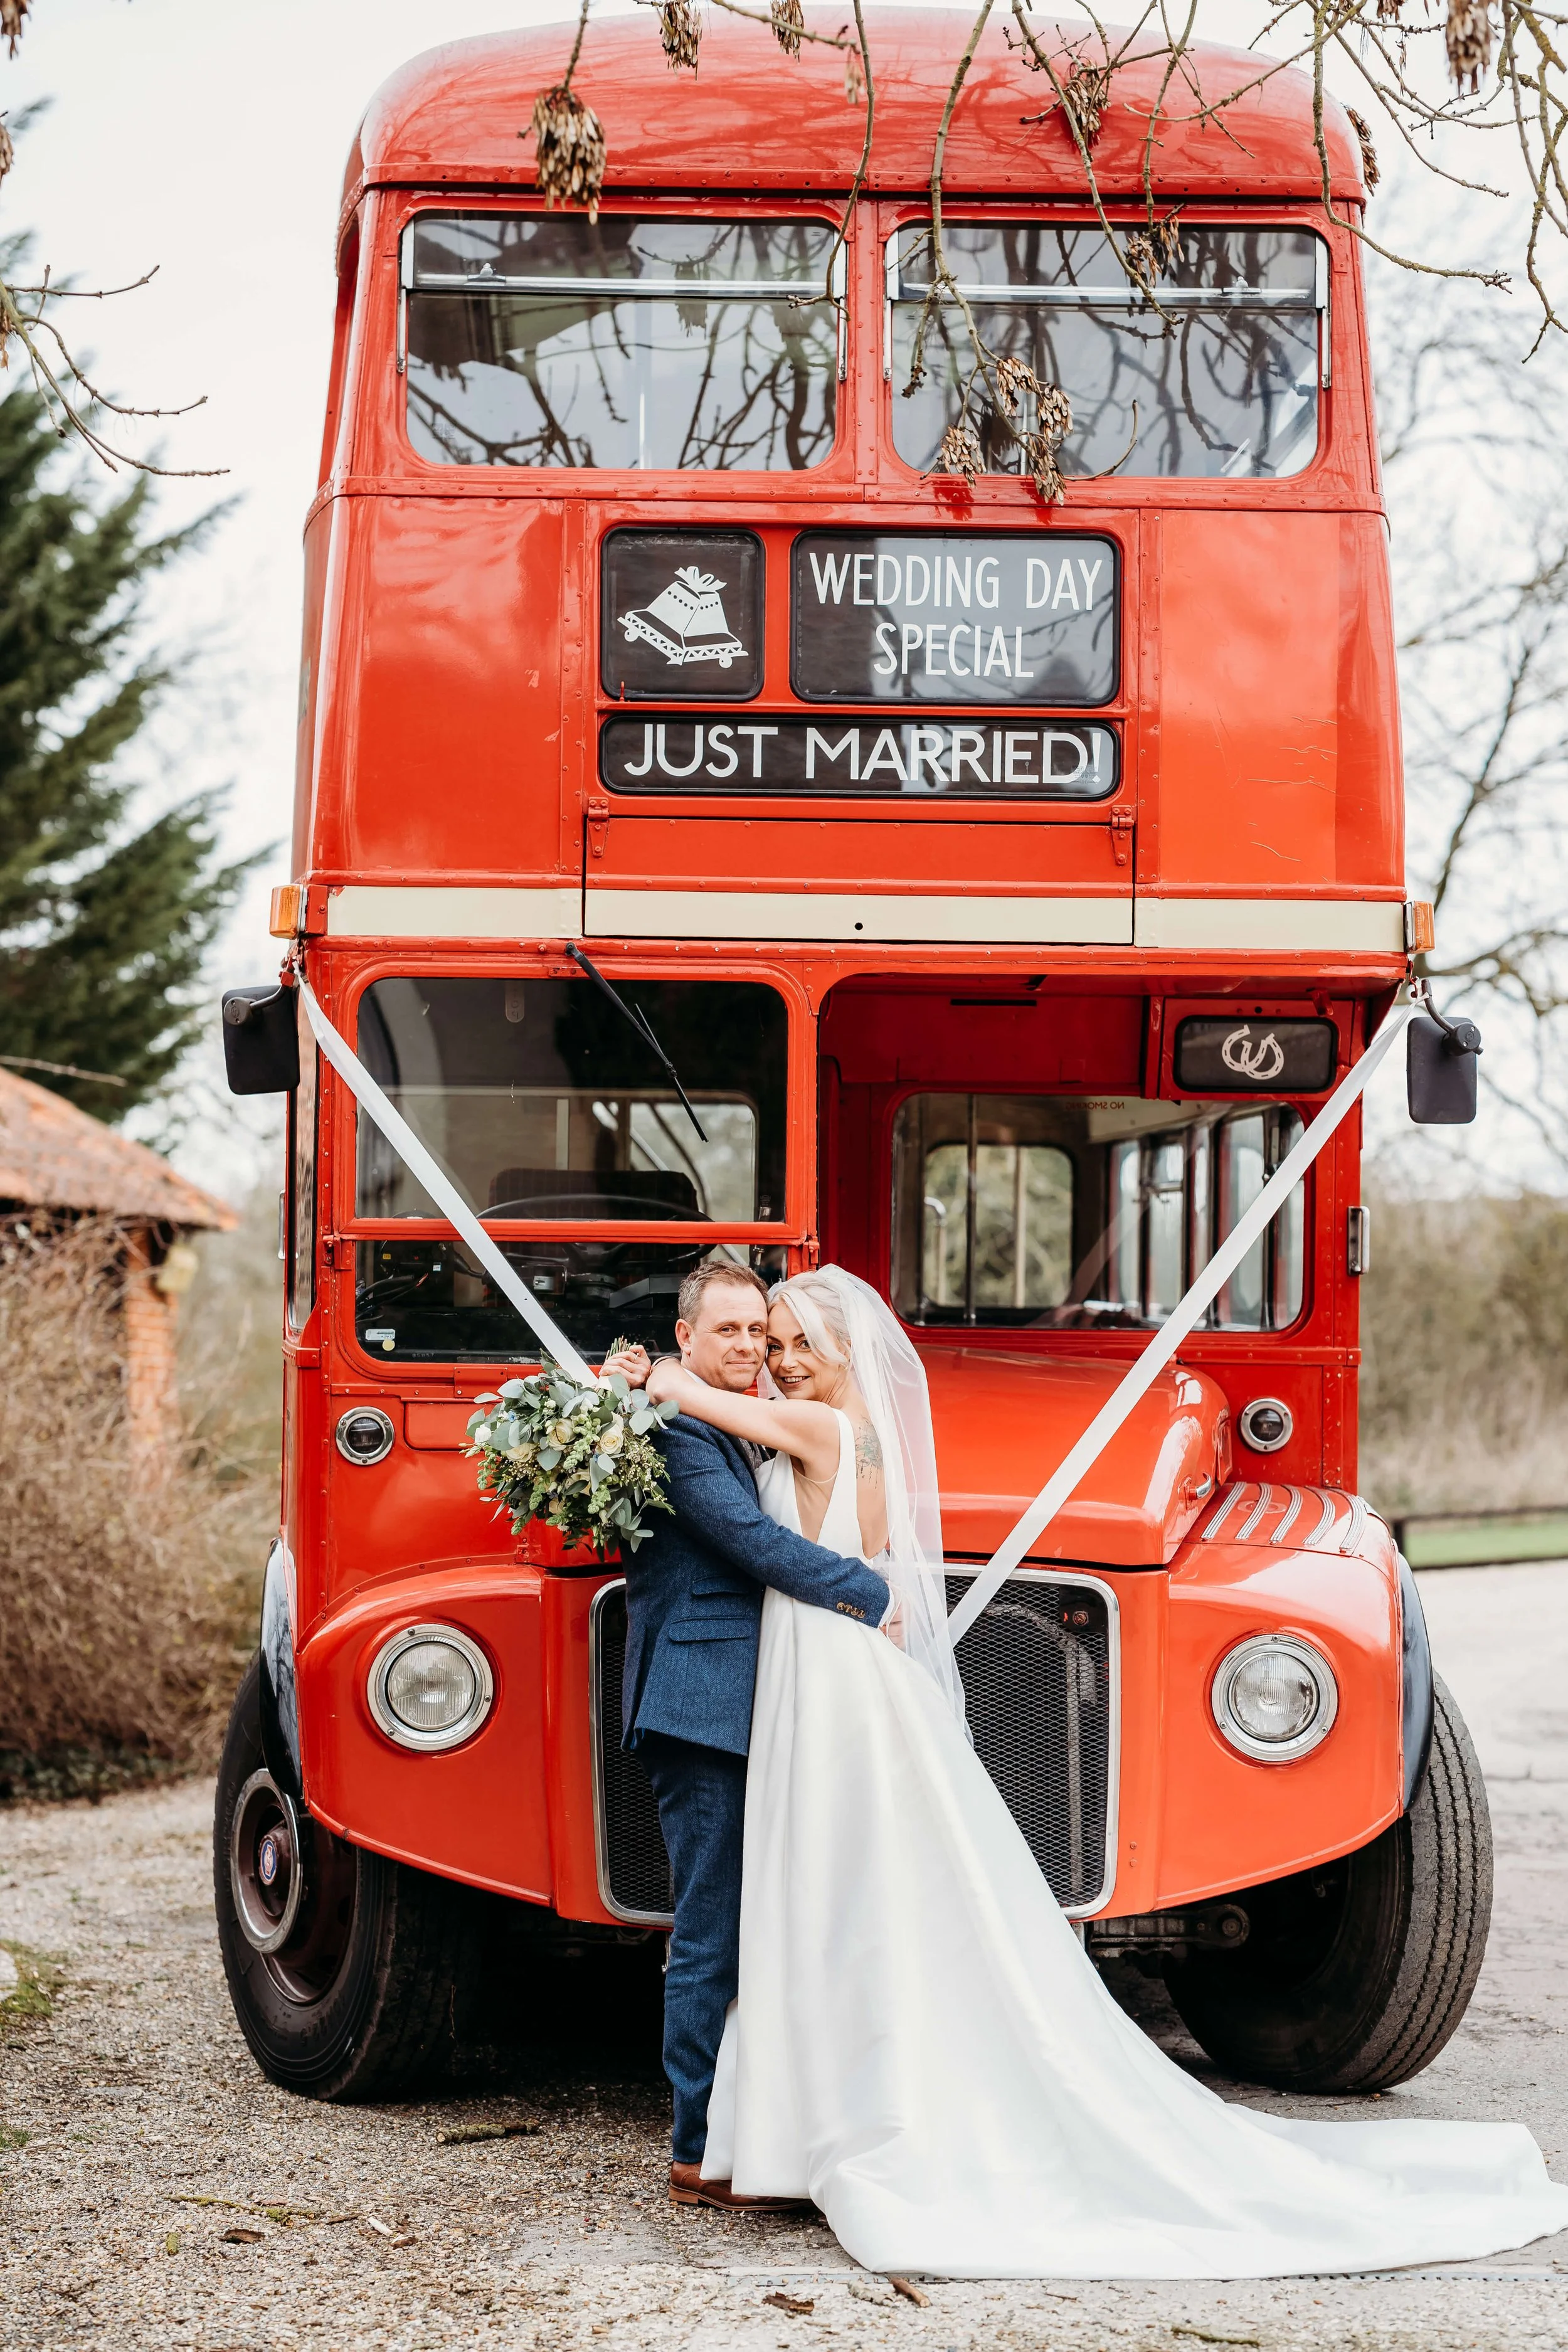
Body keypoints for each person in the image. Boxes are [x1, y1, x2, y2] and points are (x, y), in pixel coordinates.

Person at [612, 1263, 1568, 2279]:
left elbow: (744, 1488)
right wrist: (656, 1375)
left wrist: (663, 1378)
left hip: (834, 1665)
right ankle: (786, 2118)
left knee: (828, 1898)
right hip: (818, 1672)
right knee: (819, 1900)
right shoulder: (808, 1422)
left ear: (845, 1349)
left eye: (791, 1336)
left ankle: (782, 2124)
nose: (776, 1352)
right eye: (761, 1333)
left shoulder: (820, 1429)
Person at [607, 1261, 891, 2215]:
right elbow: (751, 1541)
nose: (748, 1349)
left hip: (760, 1702)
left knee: (767, 1922)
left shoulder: (738, 1421)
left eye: (757, 1335)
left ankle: (763, 2128)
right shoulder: (684, 1428)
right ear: (684, 1337)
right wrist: (871, 1591)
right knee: (708, 1929)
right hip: (698, 1705)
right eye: (728, 1331)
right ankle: (697, 2147)